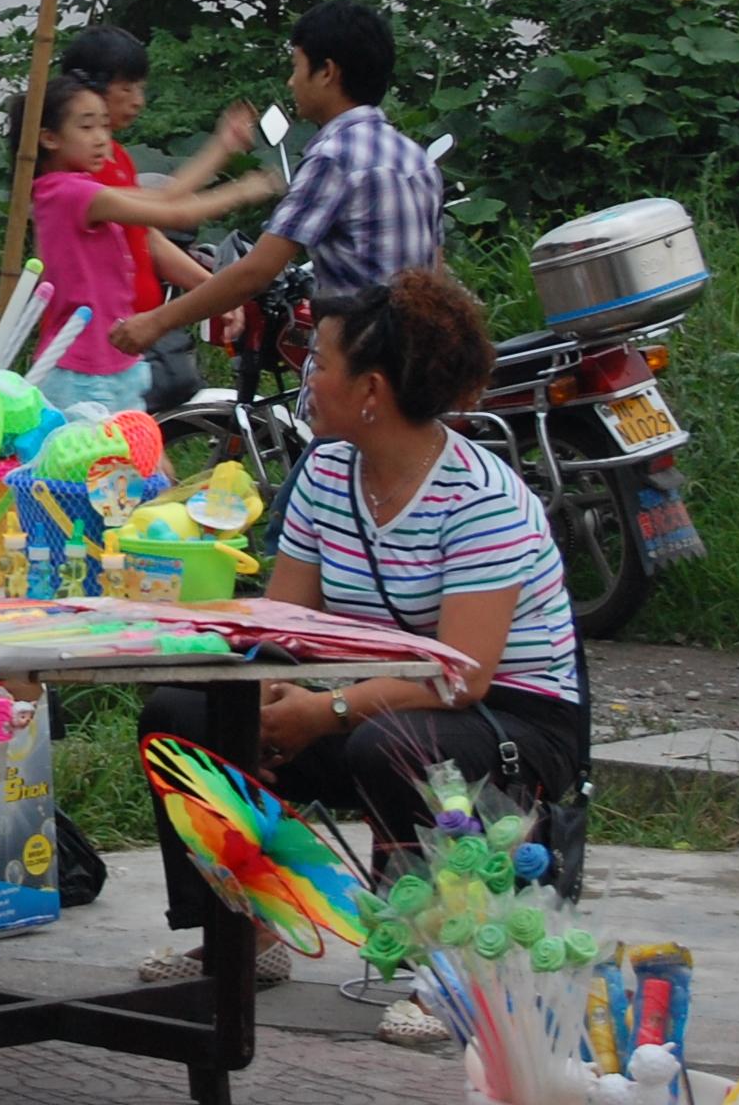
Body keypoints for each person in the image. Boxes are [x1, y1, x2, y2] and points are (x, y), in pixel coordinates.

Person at [136, 269, 586, 984]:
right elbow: (284, 627)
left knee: (391, 745)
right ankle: (244, 932)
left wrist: (326, 711)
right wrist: (264, 695)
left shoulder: (482, 499)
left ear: (371, 390)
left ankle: (438, 967)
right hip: (384, 700)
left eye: (320, 363)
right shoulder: (324, 474)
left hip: (510, 720)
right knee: (185, 717)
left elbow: (464, 676)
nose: (308, 380)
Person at [107, 0, 443, 369]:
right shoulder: (416, 158)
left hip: (351, 368)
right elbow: (436, 271)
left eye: (297, 66)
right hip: (413, 367)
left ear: (327, 72)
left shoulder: (333, 157)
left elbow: (256, 271)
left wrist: (156, 322)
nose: (291, 81)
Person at [19, 76, 281, 416]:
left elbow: (167, 196)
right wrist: (243, 190)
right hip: (80, 377)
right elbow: (175, 213)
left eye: (104, 126)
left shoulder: (80, 188)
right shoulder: (68, 194)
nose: (101, 138)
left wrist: (222, 146)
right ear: (49, 138)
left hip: (117, 367)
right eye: (86, 127)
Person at [57, 26, 254, 410]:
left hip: (128, 344)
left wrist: (211, 289)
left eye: (141, 88)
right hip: (93, 358)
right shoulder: (77, 174)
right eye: (127, 88)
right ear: (88, 90)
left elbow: (147, 238)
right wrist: (234, 172)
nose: (138, 101)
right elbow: (170, 204)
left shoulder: (117, 157)